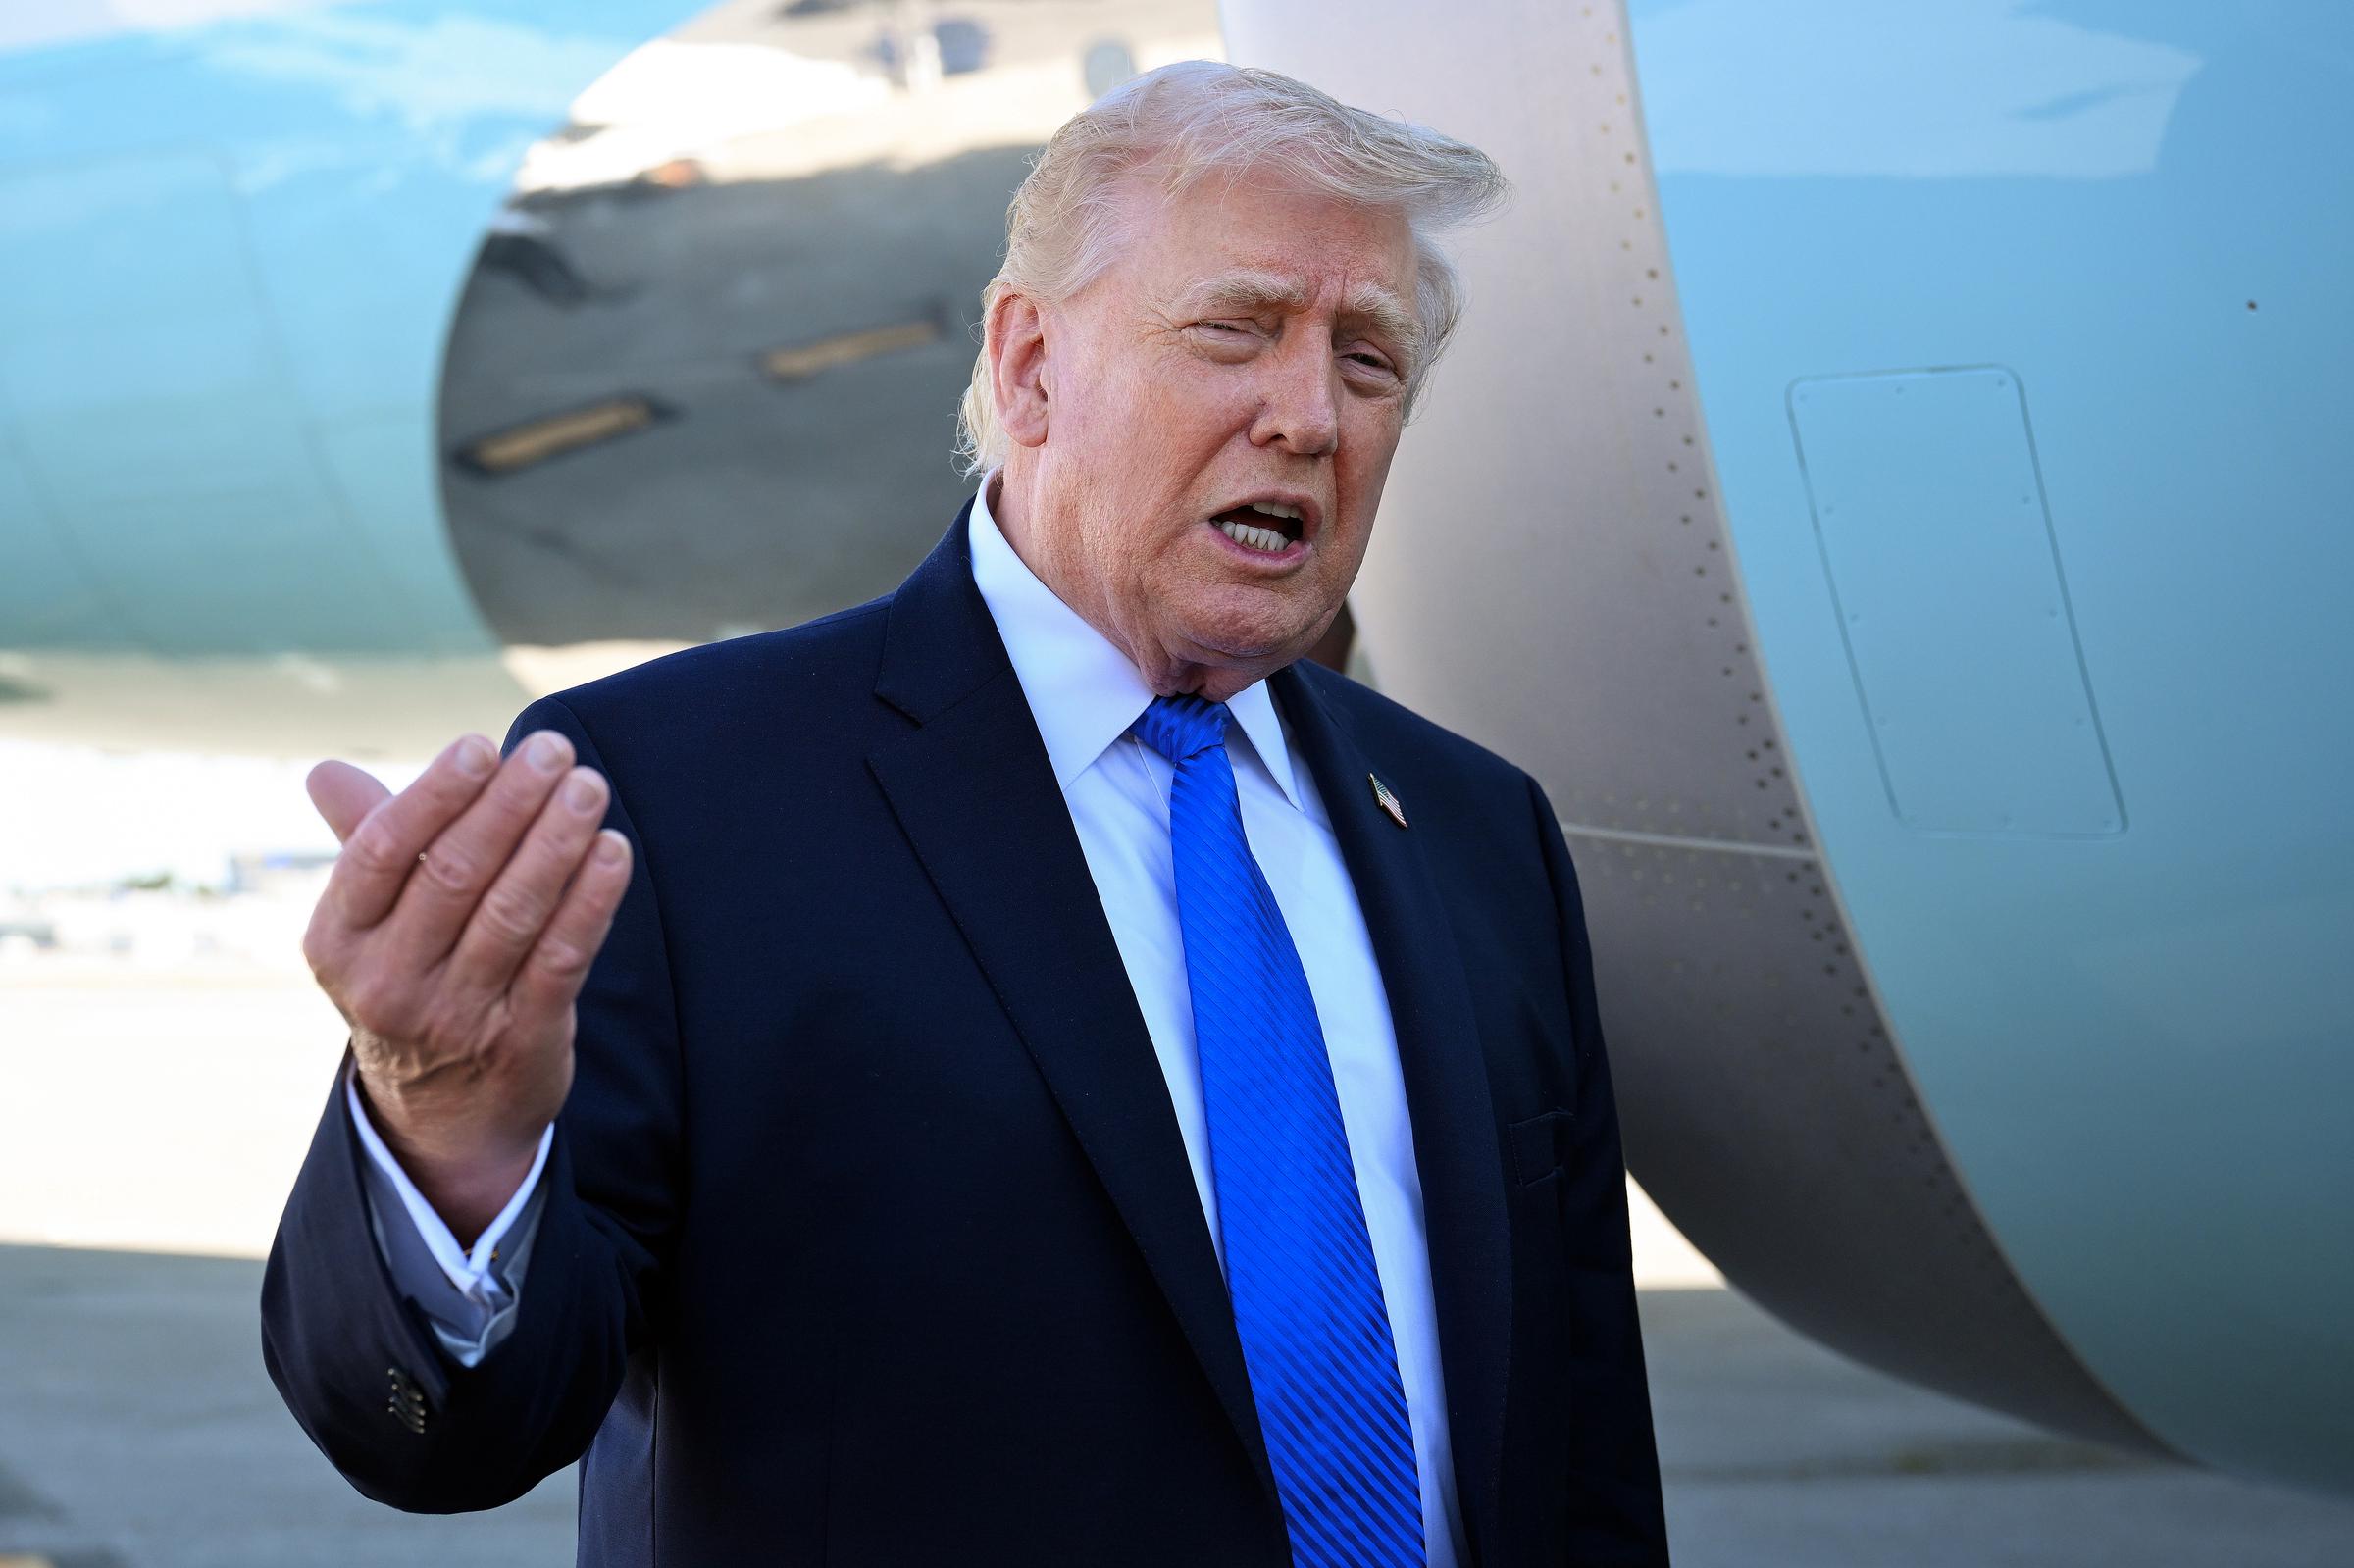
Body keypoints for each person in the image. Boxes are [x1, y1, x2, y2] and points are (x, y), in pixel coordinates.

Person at [263, 60, 1671, 1567]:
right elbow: (459, 1432)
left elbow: (1578, 1448)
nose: (1311, 415)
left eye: (1372, 362)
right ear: (1031, 367)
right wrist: (447, 1136)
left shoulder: (1477, 834)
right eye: (1235, 331)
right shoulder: (673, 800)